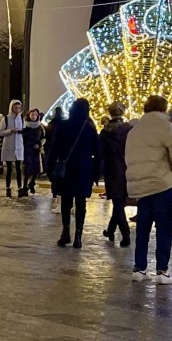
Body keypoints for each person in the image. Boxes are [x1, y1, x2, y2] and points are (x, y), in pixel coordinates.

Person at [125, 94, 172, 280]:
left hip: (142, 185)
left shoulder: (135, 130)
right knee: (163, 227)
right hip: (161, 184)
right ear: (163, 109)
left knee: (143, 226)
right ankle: (162, 270)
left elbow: (128, 157)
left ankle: (139, 268)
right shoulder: (167, 128)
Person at [48, 97, 99, 249]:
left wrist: (50, 168)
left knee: (66, 201)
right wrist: (96, 173)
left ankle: (65, 232)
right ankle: (78, 235)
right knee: (81, 202)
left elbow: (54, 148)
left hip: (67, 167)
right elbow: (97, 152)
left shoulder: (63, 125)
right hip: (84, 169)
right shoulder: (90, 127)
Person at [99, 103, 132, 246]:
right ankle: (111, 230)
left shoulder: (105, 132)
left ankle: (125, 234)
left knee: (118, 203)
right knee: (120, 201)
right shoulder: (129, 130)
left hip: (112, 168)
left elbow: (100, 153)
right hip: (127, 166)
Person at [0, 99, 25, 197]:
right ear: (11, 108)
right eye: (15, 108)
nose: (17, 110)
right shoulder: (5, 118)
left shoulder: (21, 118)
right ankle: (8, 188)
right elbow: (0, 132)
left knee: (19, 168)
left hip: (19, 145)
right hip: (9, 145)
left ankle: (20, 188)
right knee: (9, 169)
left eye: (19, 108)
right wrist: (10, 131)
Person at [21, 108, 44, 196]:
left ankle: (32, 183)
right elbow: (22, 137)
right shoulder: (25, 126)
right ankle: (25, 187)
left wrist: (39, 144)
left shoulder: (39, 126)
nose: (34, 116)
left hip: (36, 151)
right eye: (32, 114)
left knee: (36, 169)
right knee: (27, 169)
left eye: (35, 115)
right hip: (27, 150)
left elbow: (43, 137)